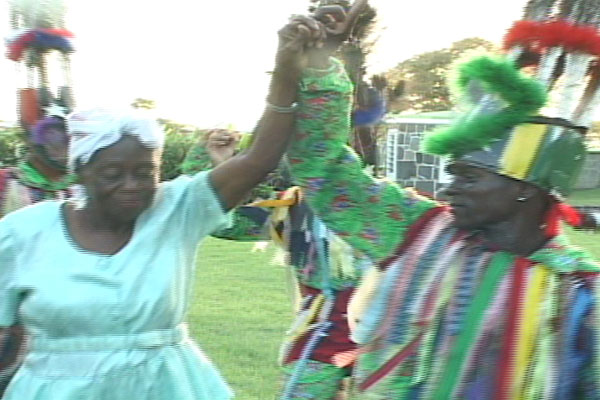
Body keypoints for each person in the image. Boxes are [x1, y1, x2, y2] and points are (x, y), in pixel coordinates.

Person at [0, 15, 332, 399]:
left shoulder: (176, 210)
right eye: (112, 174)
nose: (132, 186)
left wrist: (285, 72)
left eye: (145, 173)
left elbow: (258, 159)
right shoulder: (23, 233)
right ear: (81, 172)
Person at [285, 24, 600, 400]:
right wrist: (321, 69)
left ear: (524, 189)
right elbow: (324, 170)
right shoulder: (415, 229)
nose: (449, 189)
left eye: (469, 177)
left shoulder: (580, 293)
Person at [0, 116, 74, 396]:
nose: (63, 152)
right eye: (54, 143)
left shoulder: (81, 189)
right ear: (34, 145)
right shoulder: (7, 183)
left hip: (60, 313)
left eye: (69, 143)